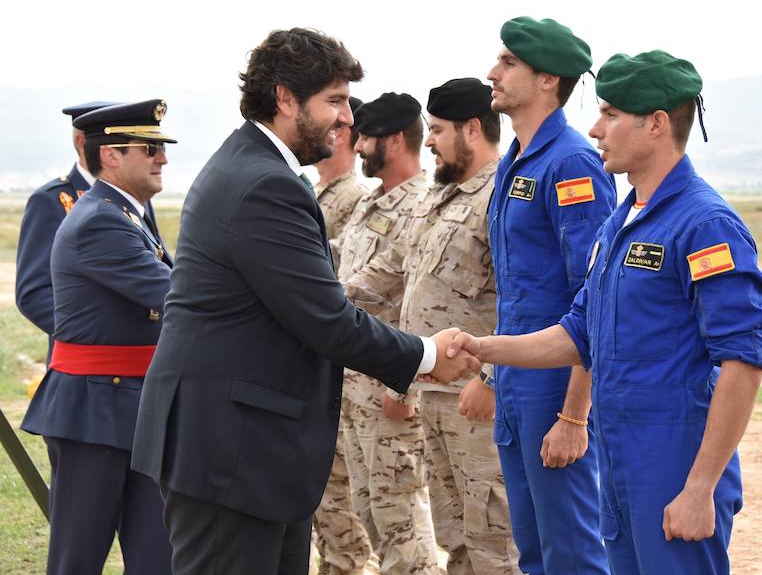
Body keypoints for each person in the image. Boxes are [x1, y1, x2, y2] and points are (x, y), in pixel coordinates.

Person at [130, 28, 476, 575]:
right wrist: (428, 357)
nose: (346, 119)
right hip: (231, 452)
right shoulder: (263, 184)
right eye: (334, 101)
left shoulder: (252, 168)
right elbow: (326, 319)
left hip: (248, 448)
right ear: (286, 98)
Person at [450, 50, 762, 574]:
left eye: (611, 114)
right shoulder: (620, 224)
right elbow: (579, 334)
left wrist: (700, 487)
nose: (596, 128)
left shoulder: (704, 224)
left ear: (657, 124)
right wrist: (484, 349)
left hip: (672, 457)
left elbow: (743, 359)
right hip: (620, 453)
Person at [344, 77, 521, 574]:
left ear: (471, 129)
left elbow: (523, 299)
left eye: (438, 130)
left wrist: (492, 378)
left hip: (480, 404)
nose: (431, 141)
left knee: (495, 546)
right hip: (436, 395)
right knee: (455, 543)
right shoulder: (439, 197)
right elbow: (396, 276)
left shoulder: (502, 198)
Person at [21, 99, 177, 575]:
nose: (163, 157)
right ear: (111, 154)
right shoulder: (91, 214)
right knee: (79, 557)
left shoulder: (125, 210)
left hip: (138, 400)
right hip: (93, 402)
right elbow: (35, 292)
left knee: (156, 555)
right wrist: (84, 340)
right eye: (150, 147)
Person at [484, 16, 616, 574]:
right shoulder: (516, 158)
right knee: (535, 549)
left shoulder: (570, 163)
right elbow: (514, 286)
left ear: (547, 80)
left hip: (556, 384)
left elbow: (596, 294)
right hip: (518, 377)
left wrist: (574, 414)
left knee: (572, 551)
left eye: (509, 63)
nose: (492, 72)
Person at [337, 91, 439, 574]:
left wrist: (408, 388)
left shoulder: (420, 206)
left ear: (395, 140)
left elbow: (425, 308)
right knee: (372, 518)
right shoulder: (372, 203)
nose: (356, 148)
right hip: (354, 391)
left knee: (403, 523)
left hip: (389, 393)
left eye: (366, 139)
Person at [311, 94, 374, 575]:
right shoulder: (318, 192)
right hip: (324, 361)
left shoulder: (353, 197)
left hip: (351, 361)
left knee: (346, 509)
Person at [16, 101, 114, 362]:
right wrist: (90, 337)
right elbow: (34, 294)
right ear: (83, 143)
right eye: (113, 143)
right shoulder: (52, 200)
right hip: (83, 361)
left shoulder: (135, 197)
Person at [314, 95, 368, 273]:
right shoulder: (312, 190)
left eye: (320, 127)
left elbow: (341, 265)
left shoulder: (356, 197)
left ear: (340, 134)